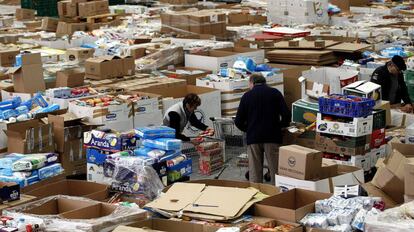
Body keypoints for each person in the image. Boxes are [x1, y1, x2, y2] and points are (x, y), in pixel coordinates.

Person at [235, 73, 291, 184]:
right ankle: (277, 193)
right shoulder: (275, 93)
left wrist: (249, 129)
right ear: (265, 82)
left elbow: (238, 121)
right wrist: (279, 127)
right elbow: (286, 115)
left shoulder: (247, 96)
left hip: (254, 138)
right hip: (272, 136)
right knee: (275, 169)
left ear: (252, 83)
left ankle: (257, 193)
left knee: (254, 170)